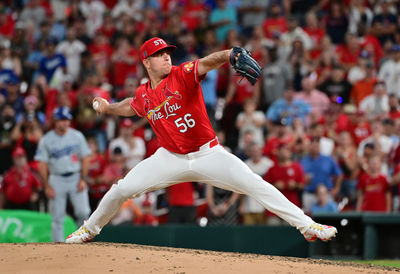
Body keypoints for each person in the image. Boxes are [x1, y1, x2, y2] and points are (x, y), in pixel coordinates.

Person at [66, 37, 337, 243]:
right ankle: (90, 229)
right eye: (158, 55)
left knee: (254, 183)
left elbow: (209, 61)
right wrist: (107, 107)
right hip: (169, 157)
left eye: (167, 53)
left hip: (208, 154)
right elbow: (130, 105)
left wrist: (230, 54)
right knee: (122, 189)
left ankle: (307, 226)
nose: (165, 58)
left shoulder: (182, 75)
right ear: (146, 62)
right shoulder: (144, 93)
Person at [35, 106, 92, 242]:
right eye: (62, 119)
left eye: (67, 119)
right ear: (55, 121)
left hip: (75, 177)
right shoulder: (47, 139)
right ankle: (57, 245)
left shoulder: (77, 136)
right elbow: (41, 164)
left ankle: (83, 240)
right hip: (56, 178)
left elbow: (86, 158)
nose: (65, 122)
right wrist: (47, 185)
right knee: (57, 216)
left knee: (83, 212)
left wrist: (83, 179)